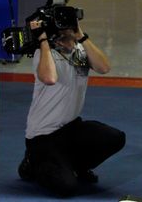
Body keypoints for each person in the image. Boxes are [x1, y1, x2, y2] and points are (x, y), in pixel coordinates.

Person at [18, 15, 126, 197]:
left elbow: (104, 67)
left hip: (70, 128)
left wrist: (80, 36)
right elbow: (49, 78)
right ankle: (31, 163)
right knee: (66, 187)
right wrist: (43, 41)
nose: (66, 29)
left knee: (115, 138)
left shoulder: (77, 52)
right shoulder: (45, 54)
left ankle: (77, 166)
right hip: (42, 137)